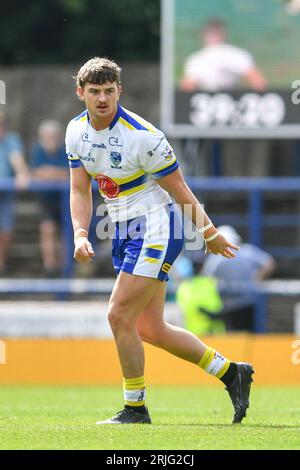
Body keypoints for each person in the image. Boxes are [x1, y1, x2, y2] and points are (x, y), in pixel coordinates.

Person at [66, 57, 254, 425]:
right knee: (149, 329)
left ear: (119, 90)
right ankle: (232, 373)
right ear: (81, 93)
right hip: (121, 228)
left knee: (118, 314)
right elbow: (78, 189)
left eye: (109, 91)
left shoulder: (144, 137)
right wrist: (80, 232)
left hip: (156, 226)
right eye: (94, 92)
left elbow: (180, 189)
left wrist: (209, 233)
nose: (102, 98)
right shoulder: (76, 131)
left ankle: (135, 408)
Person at [201, 225, 276, 331]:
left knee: (234, 337)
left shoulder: (216, 258)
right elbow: (269, 262)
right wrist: (257, 279)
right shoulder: (248, 251)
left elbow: (206, 277)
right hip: (250, 301)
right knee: (253, 335)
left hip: (229, 305)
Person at [180, 18, 267, 92]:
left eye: (214, 33)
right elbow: (187, 86)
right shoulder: (196, 59)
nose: (212, 36)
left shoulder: (235, 54)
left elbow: (257, 80)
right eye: (211, 33)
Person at [31, 119, 69, 276]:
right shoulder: (38, 150)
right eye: (47, 137)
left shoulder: (66, 150)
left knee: (69, 232)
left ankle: (66, 268)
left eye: (53, 136)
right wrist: (58, 173)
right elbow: (36, 172)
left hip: (67, 201)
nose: (50, 140)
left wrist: (48, 172)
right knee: (47, 228)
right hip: (47, 201)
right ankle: (50, 269)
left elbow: (70, 174)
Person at [0, 111, 30, 276]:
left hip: (5, 195)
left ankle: (1, 267)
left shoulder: (11, 140)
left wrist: (22, 174)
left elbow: (19, 164)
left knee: (5, 233)